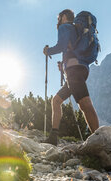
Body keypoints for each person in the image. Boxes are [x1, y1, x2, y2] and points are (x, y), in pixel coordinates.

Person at [43, 9, 99, 145]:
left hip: (74, 71)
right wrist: (63, 68)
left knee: (85, 104)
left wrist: (48, 51)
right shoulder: (75, 30)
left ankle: (100, 140)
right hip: (78, 70)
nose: (58, 20)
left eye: (59, 17)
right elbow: (70, 50)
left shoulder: (65, 27)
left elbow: (61, 46)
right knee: (56, 101)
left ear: (64, 17)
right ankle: (53, 137)